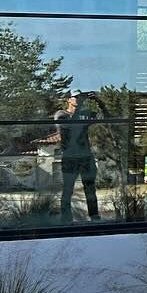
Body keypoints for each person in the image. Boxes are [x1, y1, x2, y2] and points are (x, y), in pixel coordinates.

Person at [55, 91, 103, 222]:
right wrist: (82, 113)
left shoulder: (85, 114)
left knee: (90, 189)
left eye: (80, 97)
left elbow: (106, 118)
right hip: (70, 157)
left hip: (86, 157)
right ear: (68, 100)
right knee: (68, 189)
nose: (78, 100)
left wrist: (99, 102)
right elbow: (68, 127)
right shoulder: (61, 114)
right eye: (75, 97)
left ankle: (94, 217)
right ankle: (66, 219)